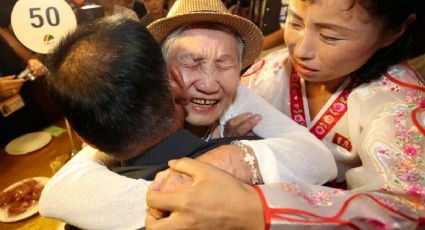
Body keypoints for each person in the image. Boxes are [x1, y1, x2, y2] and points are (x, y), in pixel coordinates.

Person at [39, 0, 336, 228]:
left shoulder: (238, 97)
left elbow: (318, 158)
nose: (209, 84)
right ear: (161, 73)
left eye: (224, 64)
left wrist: (230, 156)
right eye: (190, 62)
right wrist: (175, 198)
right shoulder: (130, 112)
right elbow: (59, 192)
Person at [146, 0, 425, 228]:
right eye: (294, 22)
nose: (301, 50)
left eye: (331, 36)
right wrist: (224, 139)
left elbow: (409, 208)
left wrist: (259, 209)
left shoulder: (399, 104)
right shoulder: (267, 73)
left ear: (393, 32)